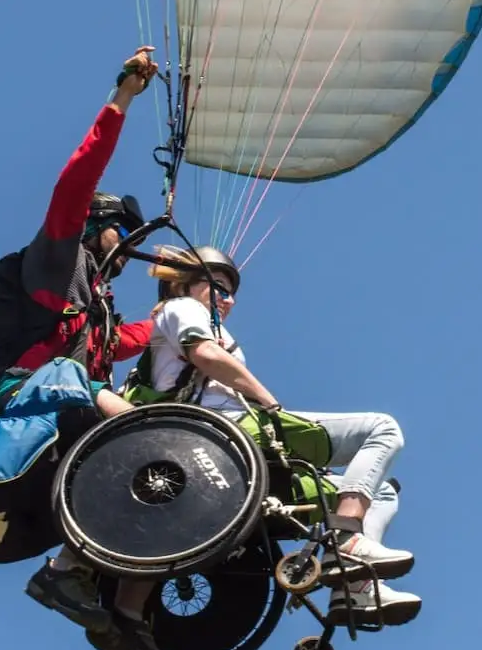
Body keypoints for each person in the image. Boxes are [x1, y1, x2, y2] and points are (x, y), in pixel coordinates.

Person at [0, 46, 182, 650]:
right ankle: (148, 465)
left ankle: (120, 618)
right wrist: (124, 100)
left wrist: (195, 298)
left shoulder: (91, 322)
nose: (129, 250)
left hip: (10, 492)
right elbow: (73, 184)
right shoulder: (53, 270)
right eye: (124, 235)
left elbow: (144, 334)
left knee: (137, 501)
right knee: (109, 408)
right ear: (98, 229)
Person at [143, 245, 422, 628]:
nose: (229, 300)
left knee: (384, 493)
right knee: (382, 429)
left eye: (231, 293)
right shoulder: (183, 309)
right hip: (233, 430)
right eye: (220, 288)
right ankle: (345, 542)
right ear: (188, 285)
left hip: (237, 443)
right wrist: (267, 399)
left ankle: (352, 588)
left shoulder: (192, 317)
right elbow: (206, 354)